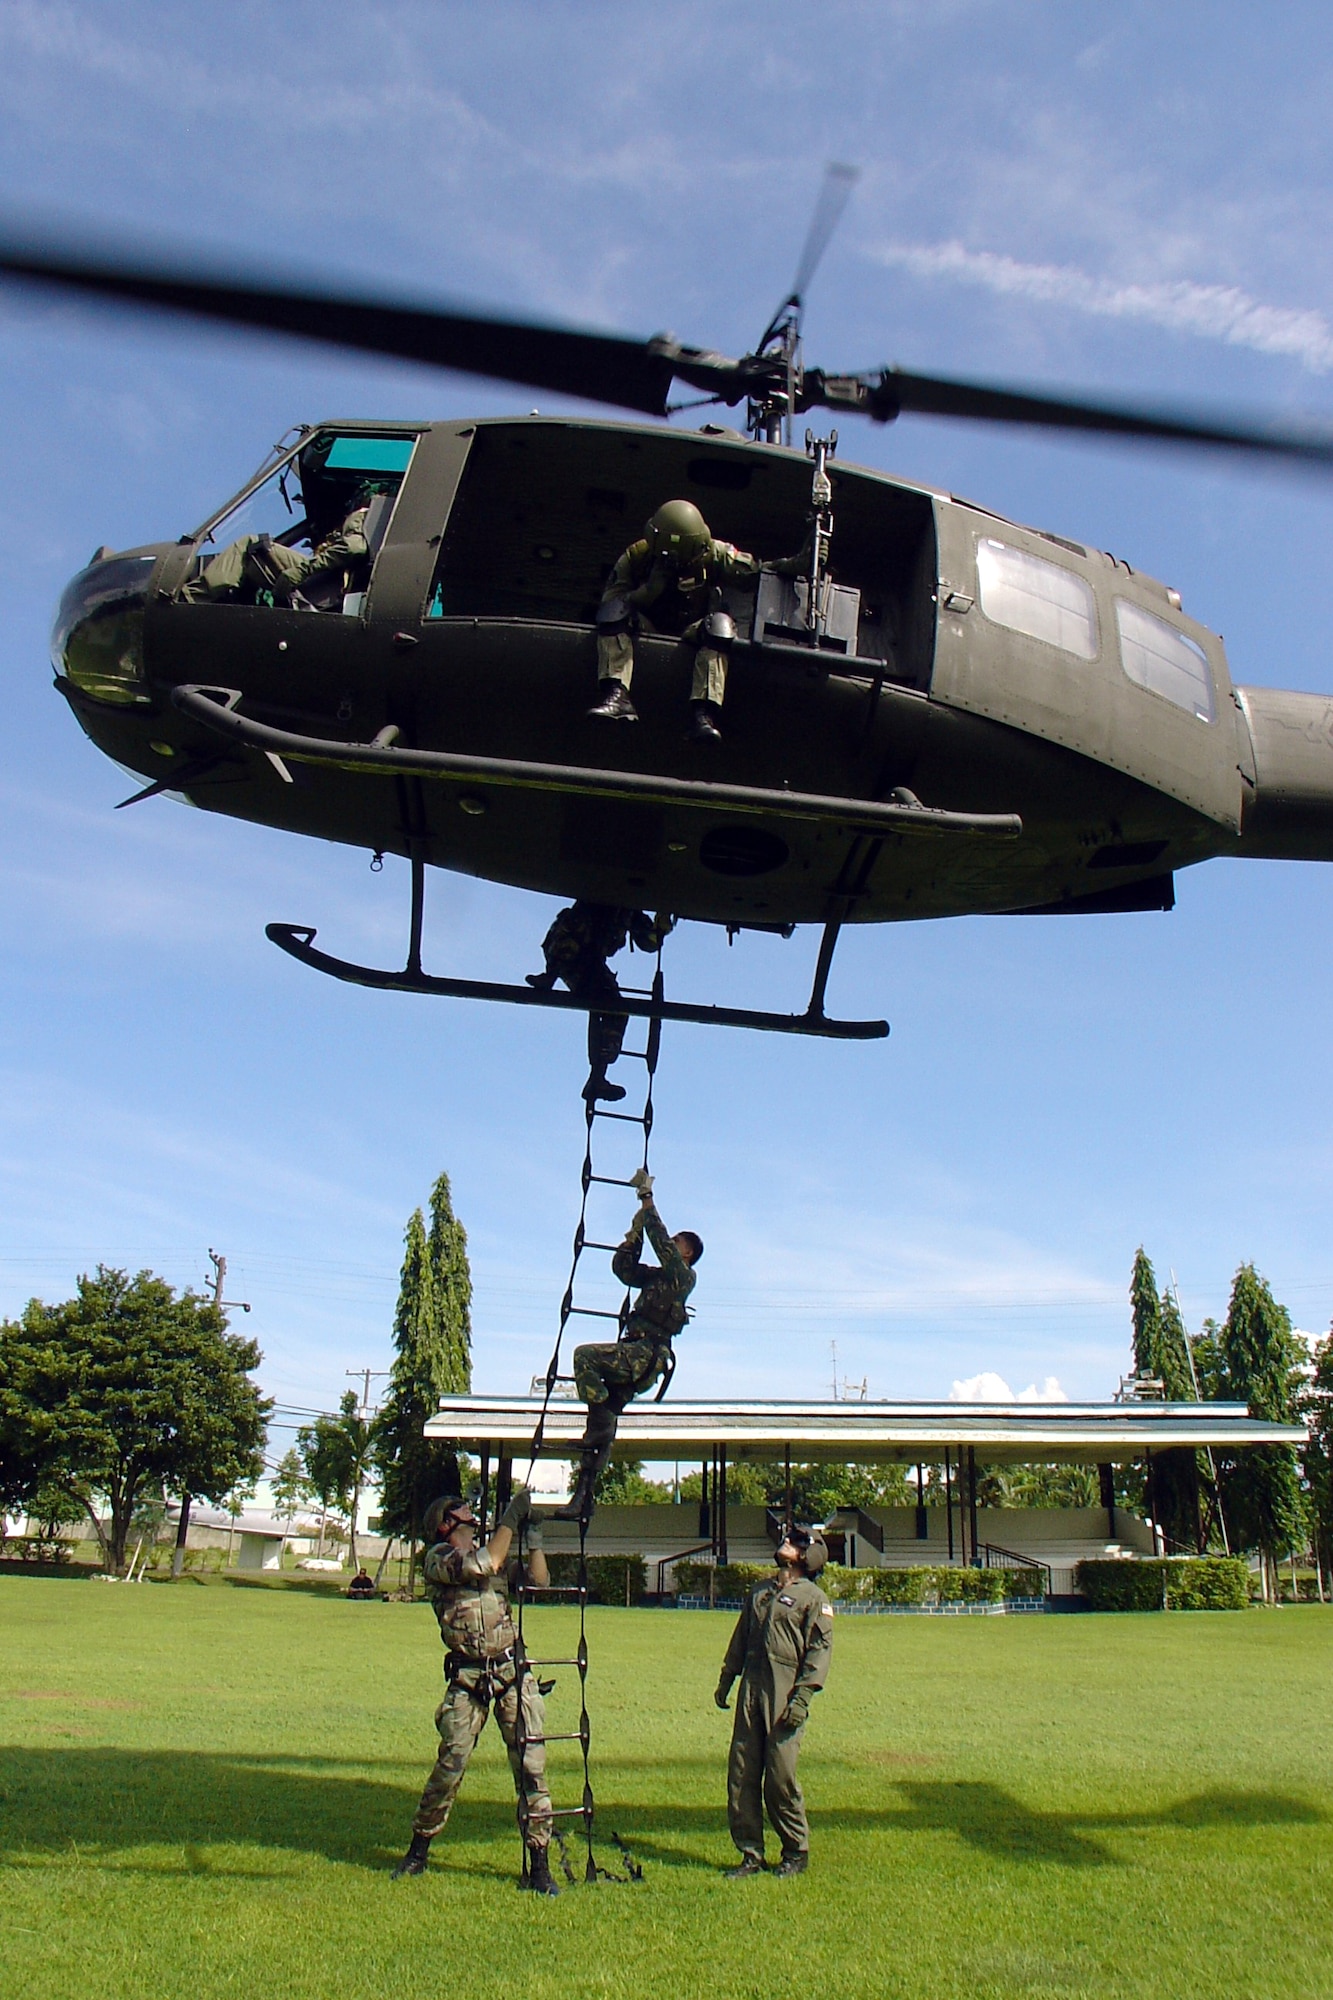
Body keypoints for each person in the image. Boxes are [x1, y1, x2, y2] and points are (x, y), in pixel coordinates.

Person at [391, 1489, 558, 1895]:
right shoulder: (440, 1559)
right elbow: (488, 1563)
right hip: (469, 1681)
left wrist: (533, 1536)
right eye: (459, 1508)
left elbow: (540, 1580)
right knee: (450, 1767)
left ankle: (539, 1866)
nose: (469, 1510)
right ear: (445, 1524)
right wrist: (513, 1516)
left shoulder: (489, 1551)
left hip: (511, 1674)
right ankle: (418, 1850)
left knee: (531, 1768)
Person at [555, 1169, 701, 1523]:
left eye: (678, 1243)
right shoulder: (657, 1278)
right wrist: (634, 1235)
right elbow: (623, 1268)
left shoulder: (683, 1277)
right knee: (602, 1421)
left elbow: (661, 1241)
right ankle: (583, 1494)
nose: (672, 1244)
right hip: (636, 1355)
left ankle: (600, 1427)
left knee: (584, 1357)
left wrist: (646, 1201)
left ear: (687, 1253)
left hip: (644, 1355)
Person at [588, 499, 762, 742]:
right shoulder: (637, 555)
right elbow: (611, 600)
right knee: (615, 612)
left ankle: (704, 712)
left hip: (691, 631)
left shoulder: (714, 554)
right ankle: (617, 695)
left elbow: (756, 574)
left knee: (720, 625)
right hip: (645, 627)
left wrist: (796, 564)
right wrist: (647, 592)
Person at [715, 1524, 833, 1879]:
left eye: (795, 1543)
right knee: (742, 1774)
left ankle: (795, 1851)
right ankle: (751, 1853)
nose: (785, 1544)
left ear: (808, 1556)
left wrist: (803, 1697)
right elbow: (741, 1638)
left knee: (780, 1778)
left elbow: (819, 1651)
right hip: (752, 1687)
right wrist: (727, 1677)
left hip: (784, 1694)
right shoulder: (760, 1592)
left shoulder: (814, 1599)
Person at [526, 901, 675, 1103]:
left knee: (615, 1009)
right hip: (572, 957)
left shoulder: (629, 912)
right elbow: (568, 929)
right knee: (609, 1003)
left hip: (591, 963)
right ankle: (549, 976)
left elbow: (649, 942)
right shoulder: (595, 897)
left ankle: (597, 1078)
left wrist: (661, 928)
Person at [180, 487, 376, 607]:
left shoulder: (364, 514)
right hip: (328, 581)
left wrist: (302, 570)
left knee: (248, 546)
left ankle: (187, 600)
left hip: (325, 581)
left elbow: (354, 547)